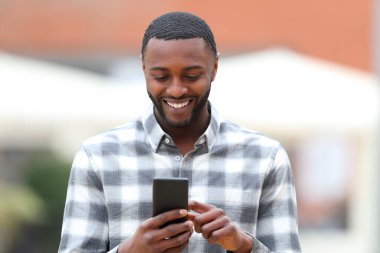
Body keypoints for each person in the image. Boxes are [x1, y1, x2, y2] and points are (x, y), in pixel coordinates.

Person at [58, 12, 301, 253]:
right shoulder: (97, 156)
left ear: (214, 68)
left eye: (191, 75)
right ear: (143, 68)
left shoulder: (265, 157)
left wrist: (243, 245)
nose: (176, 90)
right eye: (161, 76)